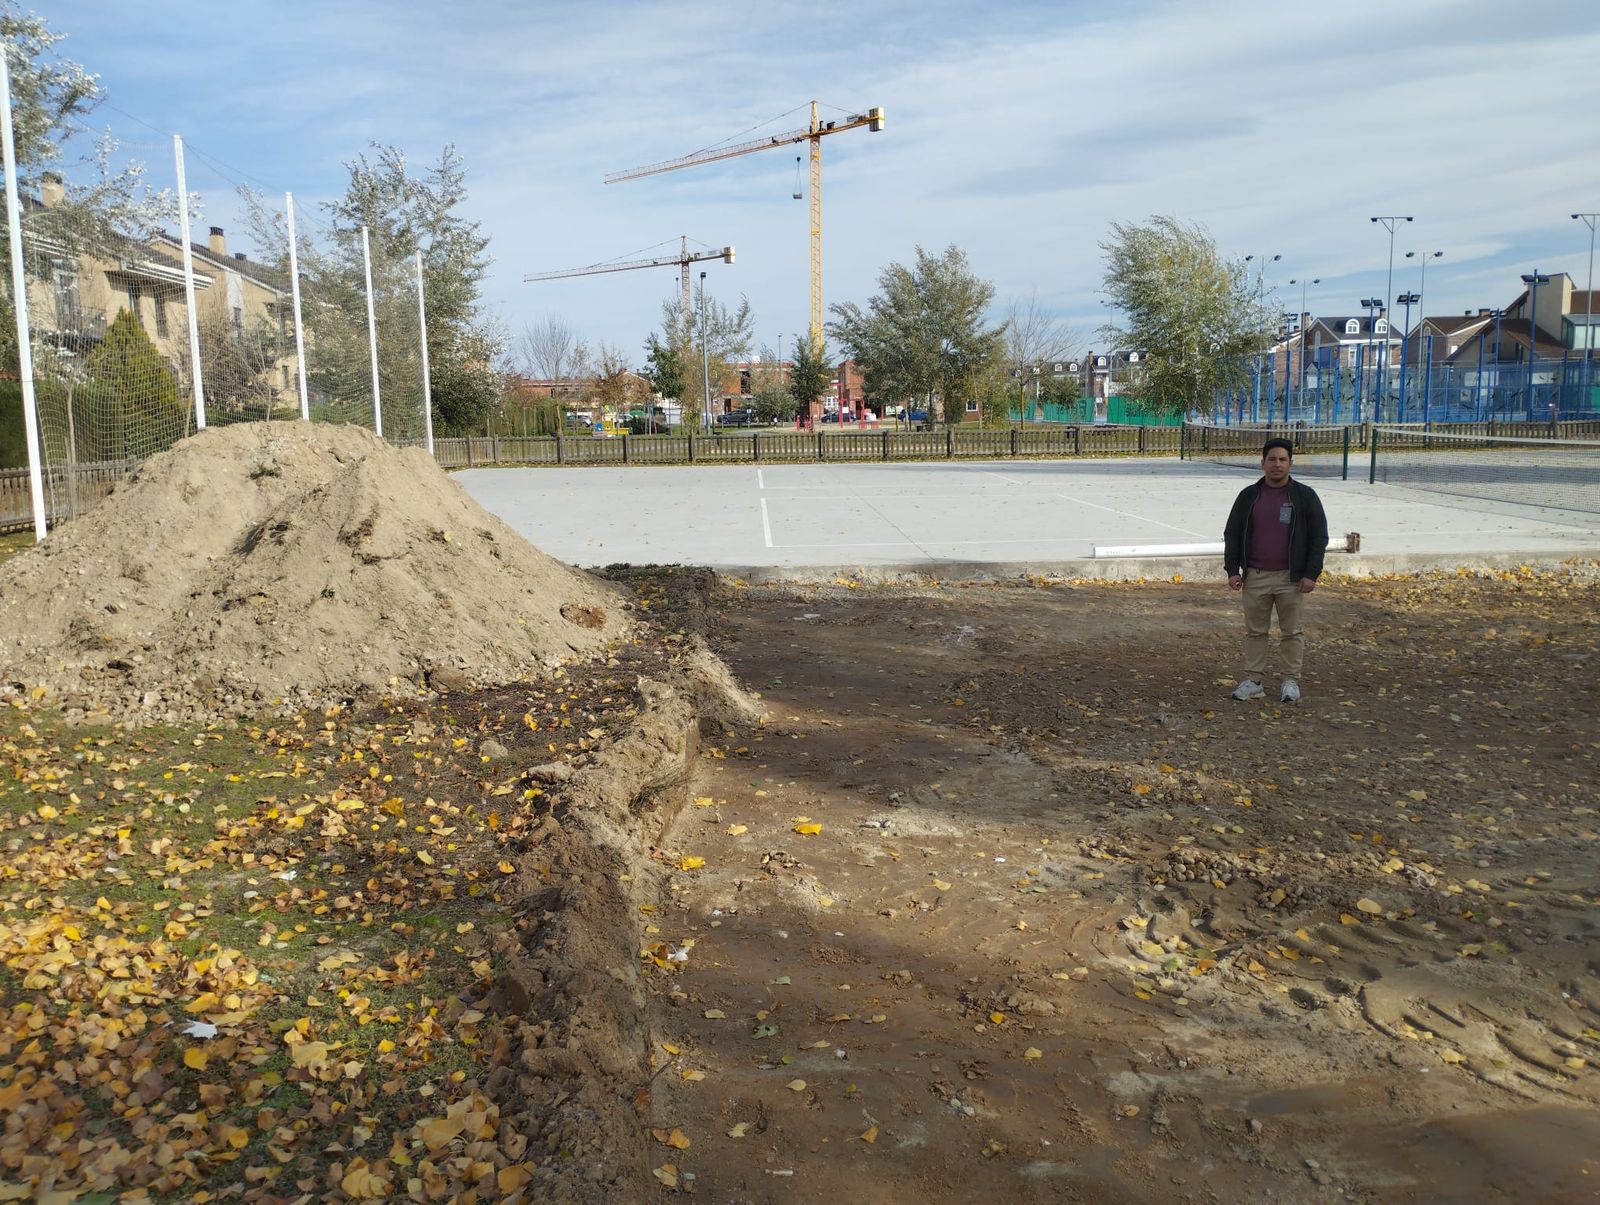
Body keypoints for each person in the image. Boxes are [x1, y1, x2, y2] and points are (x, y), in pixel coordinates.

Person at [1222, 438, 1328, 703]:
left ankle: (1291, 682)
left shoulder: (1305, 496)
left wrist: (1311, 574)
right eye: (1272, 459)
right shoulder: (1248, 496)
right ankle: (1254, 681)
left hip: (1291, 579)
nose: (1277, 464)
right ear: (1263, 463)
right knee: (1256, 632)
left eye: (1282, 460)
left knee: (1292, 632)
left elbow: (1319, 537)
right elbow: (1232, 533)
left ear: (1290, 463)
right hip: (1255, 577)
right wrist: (1232, 570)